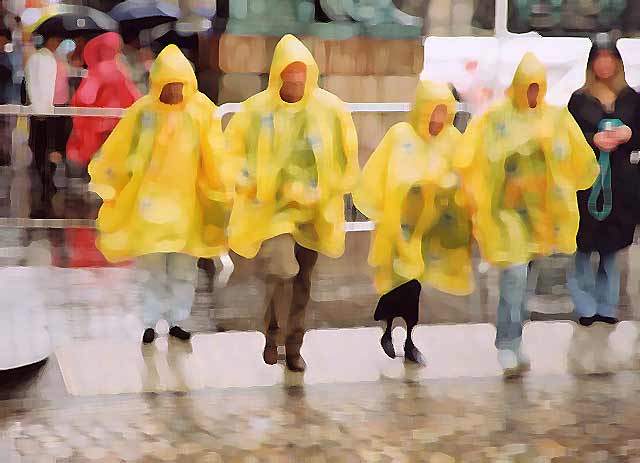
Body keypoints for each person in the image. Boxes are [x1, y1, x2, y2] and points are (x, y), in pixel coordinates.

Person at [459, 52, 599, 376]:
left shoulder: (555, 117)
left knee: (526, 283)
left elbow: (576, 156)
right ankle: (507, 344)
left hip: (541, 216)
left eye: (538, 87)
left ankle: (516, 340)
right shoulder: (496, 117)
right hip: (506, 213)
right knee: (514, 276)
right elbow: (475, 154)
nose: (533, 94)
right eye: (528, 87)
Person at [225, 34, 359, 372]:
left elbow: (347, 159)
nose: (296, 78)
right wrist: (251, 183)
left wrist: (328, 189)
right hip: (273, 211)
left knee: (302, 282)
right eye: (290, 71)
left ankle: (292, 345)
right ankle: (273, 332)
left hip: (314, 210)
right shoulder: (256, 110)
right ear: (278, 73)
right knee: (283, 269)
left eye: (301, 71)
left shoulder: (329, 110)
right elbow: (231, 154)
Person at [88, 45, 230, 344]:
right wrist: (112, 182)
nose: (175, 91)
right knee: (151, 266)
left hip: (186, 204)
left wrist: (222, 187)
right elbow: (120, 149)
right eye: (169, 84)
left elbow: (215, 152)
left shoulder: (200, 110)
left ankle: (178, 319)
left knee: (182, 266)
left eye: (179, 84)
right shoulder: (142, 112)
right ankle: (150, 321)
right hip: (148, 205)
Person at [353, 80, 475, 364]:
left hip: (431, 227)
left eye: (444, 112)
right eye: (433, 111)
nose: (438, 118)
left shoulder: (453, 140)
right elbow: (383, 172)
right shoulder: (401, 136)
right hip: (400, 224)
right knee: (401, 278)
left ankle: (407, 337)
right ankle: (388, 326)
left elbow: (464, 176)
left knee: (414, 283)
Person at [567, 36, 640, 326]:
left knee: (611, 249)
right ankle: (585, 306)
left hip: (621, 185)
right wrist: (591, 140)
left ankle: (607, 306)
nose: (605, 63)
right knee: (584, 247)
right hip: (587, 184)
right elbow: (568, 139)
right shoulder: (579, 99)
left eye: (610, 57)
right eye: (600, 57)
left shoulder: (632, 100)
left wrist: (629, 135)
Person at [66, 32, 141, 171]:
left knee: (98, 159)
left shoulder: (98, 70)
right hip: (118, 122)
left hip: (99, 124)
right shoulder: (121, 69)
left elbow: (85, 96)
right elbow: (135, 96)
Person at [24, 32, 70, 211]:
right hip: (45, 111)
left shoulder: (55, 60)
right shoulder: (41, 59)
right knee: (41, 146)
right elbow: (34, 85)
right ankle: (46, 178)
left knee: (46, 147)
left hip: (53, 111)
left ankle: (47, 178)